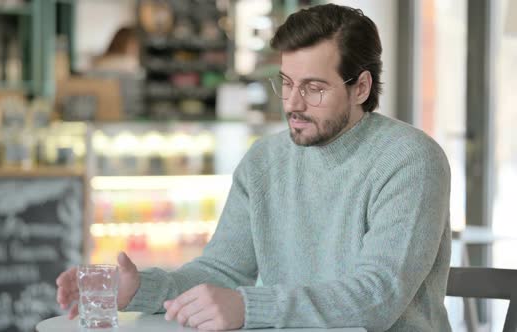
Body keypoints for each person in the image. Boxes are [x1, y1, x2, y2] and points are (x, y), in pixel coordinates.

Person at [57, 4, 452, 331]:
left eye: (314, 88)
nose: (293, 104)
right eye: (285, 82)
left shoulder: (410, 160)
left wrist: (249, 307)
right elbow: (223, 271)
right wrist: (141, 288)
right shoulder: (264, 161)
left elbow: (378, 296)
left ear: (361, 88)